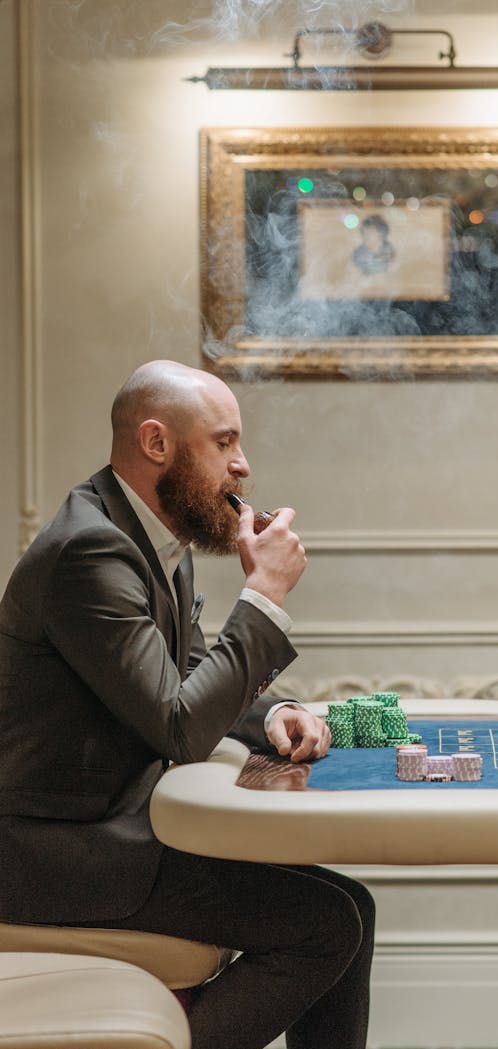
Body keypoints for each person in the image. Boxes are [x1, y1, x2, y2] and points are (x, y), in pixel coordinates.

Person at [0, 360, 375, 1049]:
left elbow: (186, 675)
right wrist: (264, 597)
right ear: (156, 443)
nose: (242, 465)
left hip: (116, 828)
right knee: (329, 924)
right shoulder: (91, 550)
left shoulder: (147, 532)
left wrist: (270, 714)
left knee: (350, 903)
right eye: (224, 442)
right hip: (56, 856)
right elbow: (179, 725)